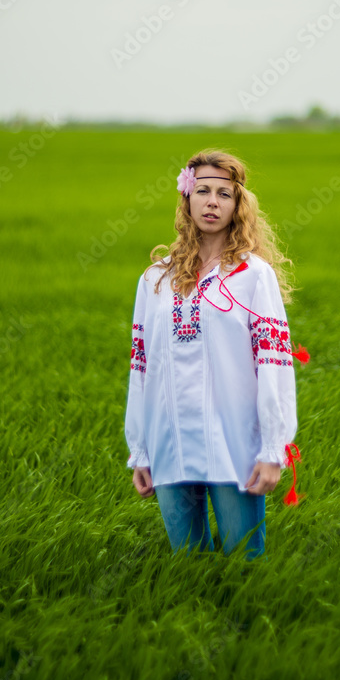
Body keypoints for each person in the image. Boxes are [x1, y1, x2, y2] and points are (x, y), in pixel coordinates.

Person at [124, 149, 307, 561]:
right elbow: (141, 366)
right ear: (186, 199)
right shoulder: (156, 280)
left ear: (238, 204)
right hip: (169, 439)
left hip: (234, 442)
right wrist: (141, 449)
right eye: (202, 190)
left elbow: (273, 363)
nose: (211, 201)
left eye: (224, 193)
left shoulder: (252, 275)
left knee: (246, 563)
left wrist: (274, 449)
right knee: (187, 566)